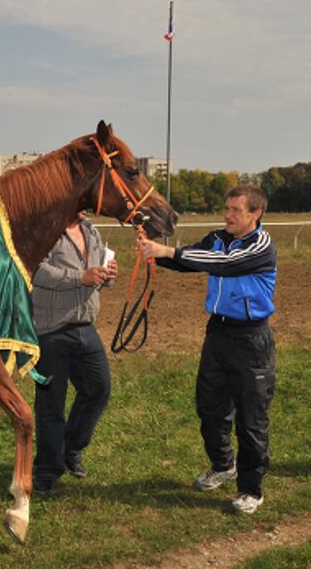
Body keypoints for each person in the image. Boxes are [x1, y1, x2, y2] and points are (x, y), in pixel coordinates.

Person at [138, 185, 276, 514]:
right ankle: (223, 464)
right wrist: (154, 251)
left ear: (254, 214)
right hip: (217, 334)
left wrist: (167, 252)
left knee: (251, 418)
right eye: (226, 208)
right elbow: (193, 260)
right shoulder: (217, 237)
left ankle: (251, 490)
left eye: (235, 210)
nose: (227, 215)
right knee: (210, 407)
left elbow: (223, 263)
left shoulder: (260, 245)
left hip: (251, 339)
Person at [31, 210, 118, 494]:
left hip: (85, 326)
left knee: (98, 389)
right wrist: (80, 277)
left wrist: (107, 275)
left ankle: (70, 448)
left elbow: (97, 274)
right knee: (50, 405)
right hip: (51, 329)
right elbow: (37, 270)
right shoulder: (44, 228)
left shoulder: (90, 230)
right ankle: (46, 470)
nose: (87, 206)